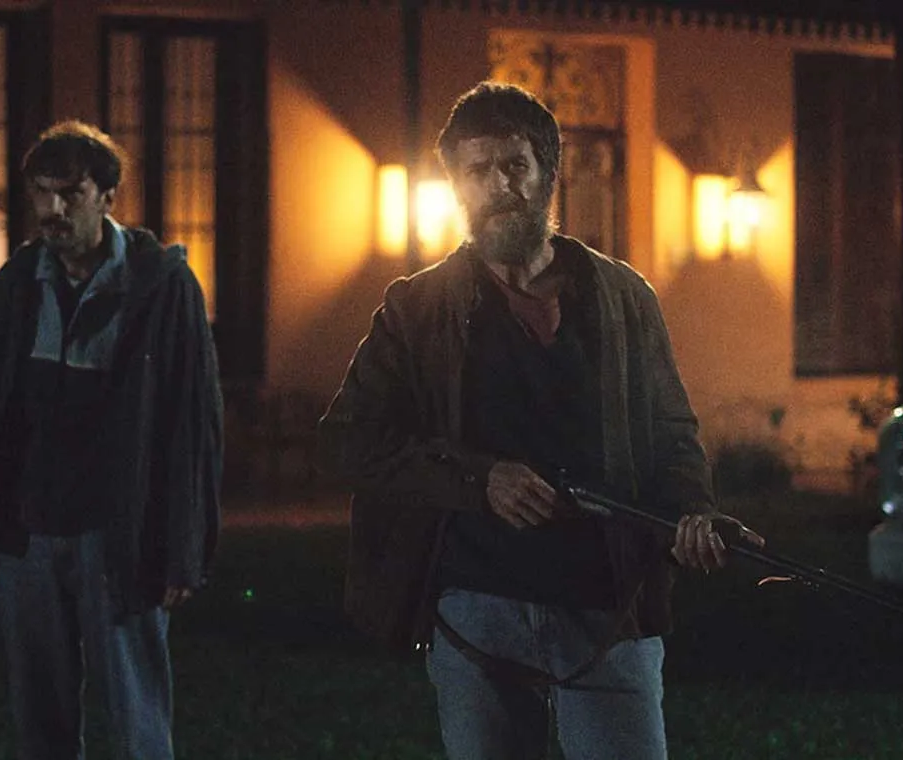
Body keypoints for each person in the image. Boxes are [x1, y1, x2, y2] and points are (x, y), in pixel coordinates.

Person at [319, 82, 764, 760]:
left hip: (607, 606)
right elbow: (349, 441)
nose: (499, 186)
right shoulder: (418, 307)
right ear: (456, 185)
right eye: (477, 170)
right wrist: (480, 480)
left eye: (515, 165)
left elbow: (672, 433)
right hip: (478, 611)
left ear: (548, 173)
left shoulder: (623, 298)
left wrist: (691, 515)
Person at [0, 120, 223, 760]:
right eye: (40, 192)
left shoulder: (160, 286)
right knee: (40, 716)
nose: (52, 210)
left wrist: (182, 543)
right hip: (29, 530)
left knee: (136, 716)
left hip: (116, 531)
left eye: (70, 193)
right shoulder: (19, 283)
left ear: (107, 196)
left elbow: (192, 420)